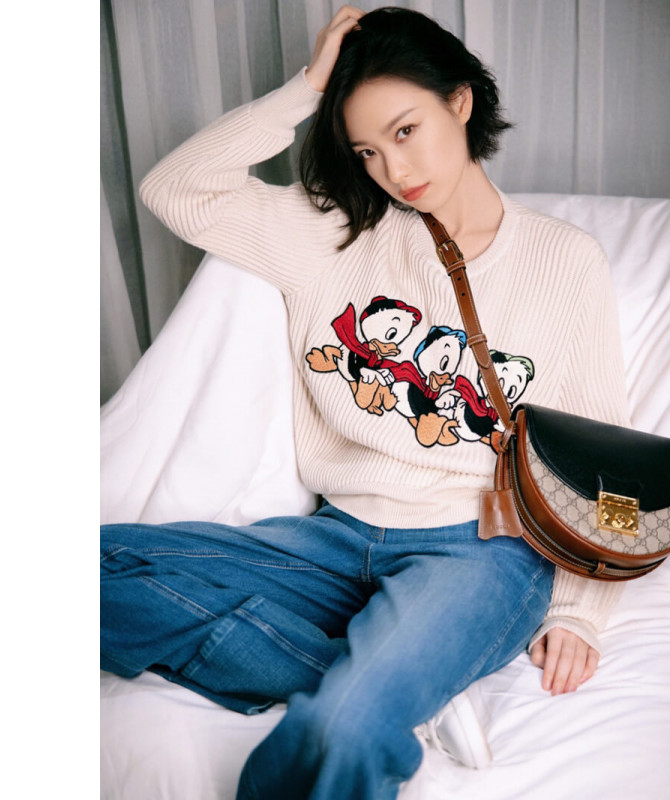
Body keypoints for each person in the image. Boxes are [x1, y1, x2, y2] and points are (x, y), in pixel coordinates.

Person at [100, 6, 631, 799]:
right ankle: (385, 684)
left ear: (460, 101)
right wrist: (306, 89)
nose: (393, 168)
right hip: (336, 538)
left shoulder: (564, 259)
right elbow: (173, 189)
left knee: (339, 729)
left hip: (479, 551)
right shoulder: (332, 234)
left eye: (406, 130)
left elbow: (602, 444)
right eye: (367, 151)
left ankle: (372, 693)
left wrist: (581, 610)